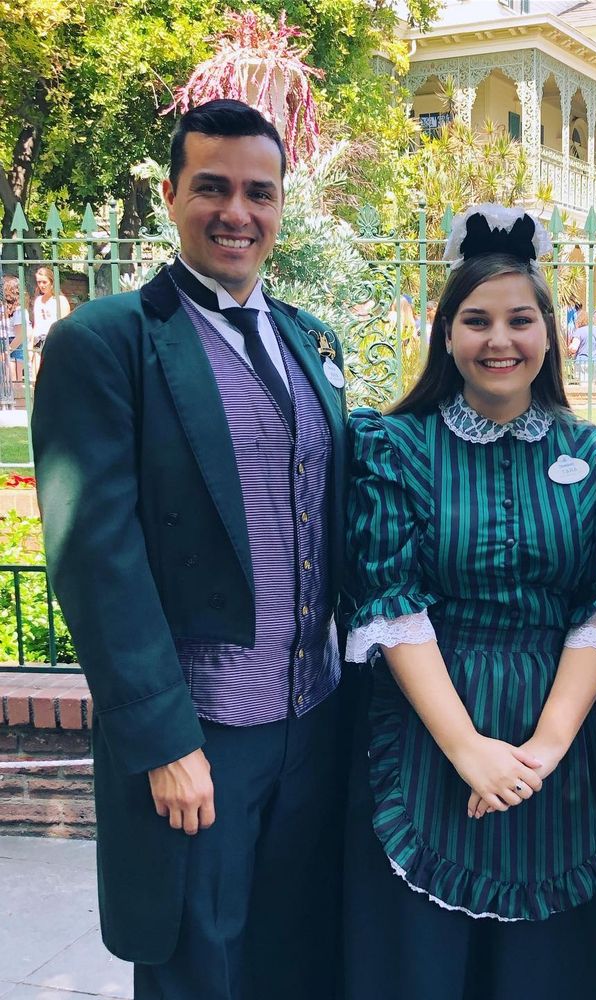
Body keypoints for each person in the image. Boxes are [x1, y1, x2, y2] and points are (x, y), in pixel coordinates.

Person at [32, 99, 349, 1000]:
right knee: (198, 970)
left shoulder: (307, 339)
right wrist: (165, 739)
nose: (236, 213)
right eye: (212, 188)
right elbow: (97, 556)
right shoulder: (108, 342)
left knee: (297, 959)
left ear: (283, 204)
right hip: (202, 736)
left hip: (313, 721)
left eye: (260, 192)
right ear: (172, 196)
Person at [343, 203, 596, 1000]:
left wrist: (540, 752)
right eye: (476, 320)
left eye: (519, 319)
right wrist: (469, 750)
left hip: (565, 741)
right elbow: (393, 600)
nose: (498, 339)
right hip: (428, 731)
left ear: (550, 331)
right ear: (447, 334)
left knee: (554, 973)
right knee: (425, 967)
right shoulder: (394, 446)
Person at [31, 266, 70, 370]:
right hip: (38, 340)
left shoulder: (60, 300)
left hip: (53, 340)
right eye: (39, 282)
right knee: (37, 376)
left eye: (44, 282)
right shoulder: (38, 300)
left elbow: (64, 325)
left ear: (51, 282)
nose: (41, 285)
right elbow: (36, 324)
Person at [1, 276, 29, 389]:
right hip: (3, 341)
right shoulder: (3, 308)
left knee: (14, 383)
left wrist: (6, 352)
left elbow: (20, 336)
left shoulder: (19, 311)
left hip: (13, 346)